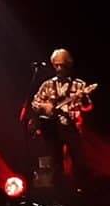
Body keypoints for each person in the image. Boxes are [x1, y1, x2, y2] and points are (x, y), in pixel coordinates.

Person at [30, 48, 94, 195]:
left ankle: (81, 191)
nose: (59, 68)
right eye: (56, 65)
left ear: (68, 65)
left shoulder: (79, 85)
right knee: (55, 163)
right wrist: (44, 106)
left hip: (72, 127)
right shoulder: (47, 85)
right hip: (52, 128)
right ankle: (59, 193)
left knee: (79, 161)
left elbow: (88, 107)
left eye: (62, 65)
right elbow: (34, 103)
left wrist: (84, 97)